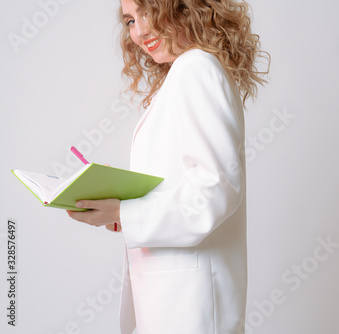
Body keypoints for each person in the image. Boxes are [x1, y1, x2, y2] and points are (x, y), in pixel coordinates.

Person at [66, 0, 269, 333]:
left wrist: (124, 213)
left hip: (192, 304)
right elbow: (187, 182)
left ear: (183, 7)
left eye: (148, 12)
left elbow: (216, 191)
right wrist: (122, 197)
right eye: (130, 20)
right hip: (174, 299)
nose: (140, 31)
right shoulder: (186, 73)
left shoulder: (197, 69)